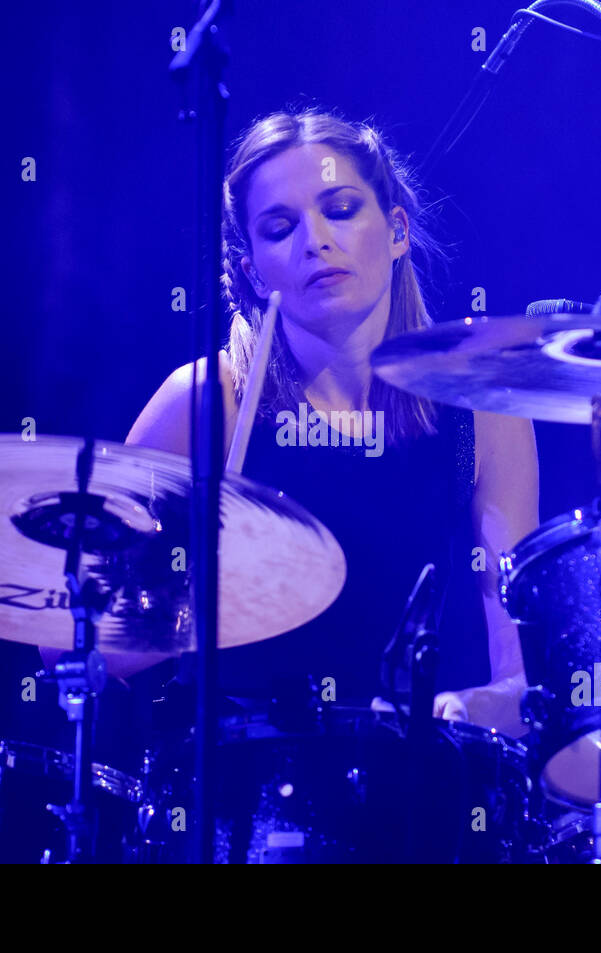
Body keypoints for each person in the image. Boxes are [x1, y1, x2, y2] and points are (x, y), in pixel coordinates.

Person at [126, 108, 538, 736]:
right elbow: (68, 641)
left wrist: (487, 704)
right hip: (238, 800)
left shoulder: (482, 408)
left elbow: (520, 658)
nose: (314, 240)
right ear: (249, 269)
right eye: (279, 226)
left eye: (340, 209)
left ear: (397, 230)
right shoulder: (208, 402)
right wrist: (213, 601)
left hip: (416, 789)